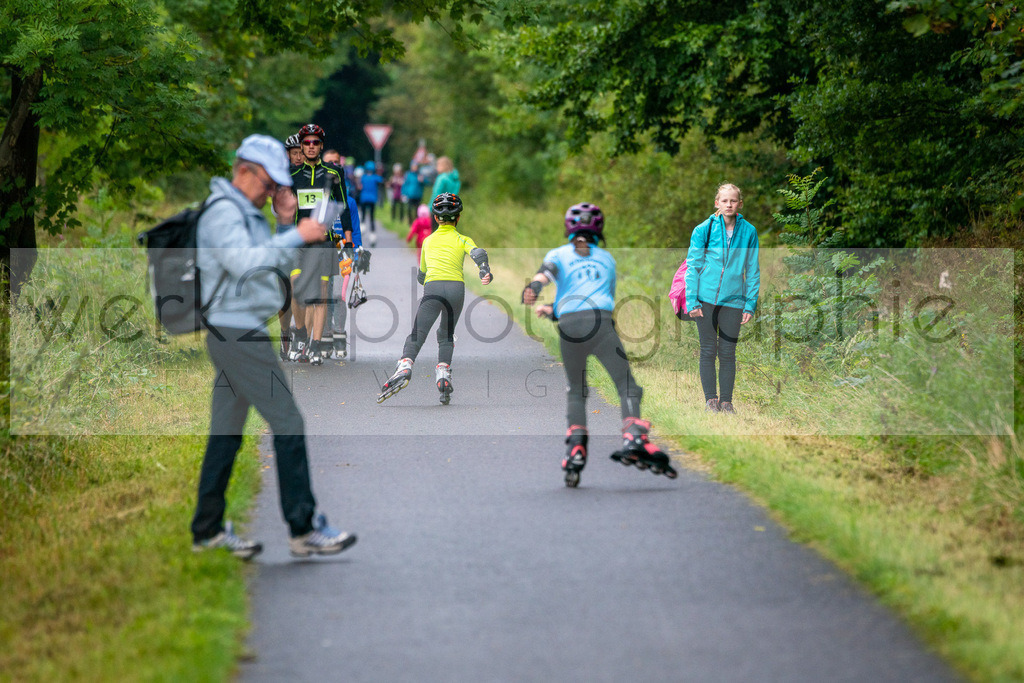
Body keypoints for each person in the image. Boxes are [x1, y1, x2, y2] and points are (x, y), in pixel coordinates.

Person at [191, 134, 357, 559]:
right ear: (244, 170)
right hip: (236, 334)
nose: (270, 193)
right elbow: (246, 264)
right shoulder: (223, 212)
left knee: (226, 435)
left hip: (241, 331)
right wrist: (295, 232)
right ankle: (303, 528)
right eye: (267, 184)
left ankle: (207, 530)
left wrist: (286, 226)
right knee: (288, 423)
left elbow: (272, 271)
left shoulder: (245, 213)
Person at [521, 202, 677, 488]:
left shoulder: (558, 254)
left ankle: (576, 448)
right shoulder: (607, 259)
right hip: (602, 324)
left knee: (576, 390)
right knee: (626, 385)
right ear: (598, 229)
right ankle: (633, 434)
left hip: (569, 327)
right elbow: (599, 296)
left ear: (569, 229)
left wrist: (534, 291)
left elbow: (546, 276)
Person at [377, 193, 492, 405]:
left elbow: (422, 275)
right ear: (458, 218)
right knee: (446, 333)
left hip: (433, 288)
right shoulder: (462, 239)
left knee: (419, 332)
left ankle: (405, 365)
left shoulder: (428, 241)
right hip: (457, 289)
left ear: (436, 218)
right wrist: (484, 270)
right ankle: (443, 374)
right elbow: (478, 253)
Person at [684, 183, 760, 414]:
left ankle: (726, 402)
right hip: (704, 299)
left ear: (740, 204)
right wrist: (692, 301)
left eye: (733, 201)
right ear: (717, 203)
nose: (729, 205)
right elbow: (692, 266)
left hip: (734, 301)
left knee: (728, 352)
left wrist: (750, 303)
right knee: (708, 350)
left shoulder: (749, 232)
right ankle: (710, 401)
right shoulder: (703, 230)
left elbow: (753, 269)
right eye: (724, 201)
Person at [287, 123, 354, 365]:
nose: (311, 146)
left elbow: (343, 205)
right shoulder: (291, 174)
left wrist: (347, 240)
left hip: (325, 241)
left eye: (316, 142)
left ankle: (315, 345)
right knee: (296, 287)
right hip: (299, 241)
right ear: (301, 146)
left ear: (321, 146)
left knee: (321, 294)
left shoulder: (334, 172)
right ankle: (301, 334)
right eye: (307, 142)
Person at [429, 156, 460, 230]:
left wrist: (430, 208)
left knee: (435, 231)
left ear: (443, 166)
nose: (436, 167)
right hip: (452, 209)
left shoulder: (441, 178)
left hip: (439, 209)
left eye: (438, 165)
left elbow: (436, 195)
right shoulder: (456, 180)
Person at [358, 161, 384, 246]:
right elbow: (382, 181)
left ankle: (362, 228)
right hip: (372, 199)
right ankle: (372, 236)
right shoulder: (375, 177)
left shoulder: (363, 177)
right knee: (372, 218)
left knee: (363, 215)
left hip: (364, 198)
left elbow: (359, 186)